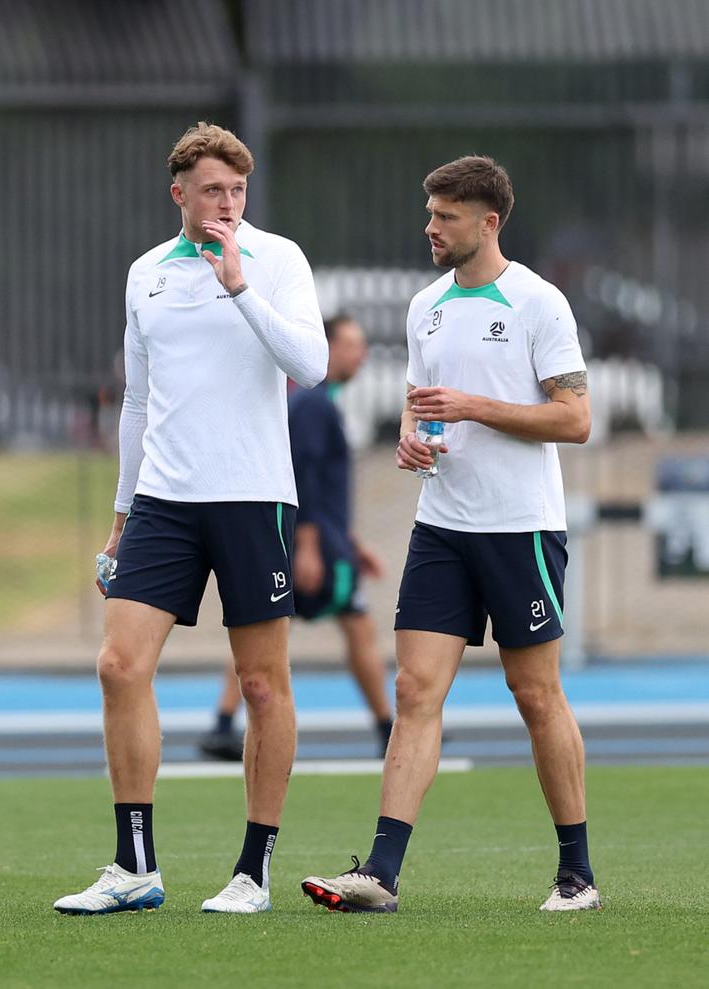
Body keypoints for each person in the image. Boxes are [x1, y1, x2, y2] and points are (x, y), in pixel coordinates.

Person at [301, 155, 601, 914]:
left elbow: (575, 418)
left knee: (535, 693)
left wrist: (474, 407)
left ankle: (577, 875)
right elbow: (421, 403)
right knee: (413, 690)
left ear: (487, 221)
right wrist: (413, 435)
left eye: (444, 216)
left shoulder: (539, 303)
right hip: (441, 526)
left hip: (520, 528)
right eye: (430, 213)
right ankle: (381, 873)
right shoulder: (425, 305)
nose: (429, 227)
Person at [53, 122, 327, 916]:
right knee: (118, 665)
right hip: (164, 502)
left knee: (261, 685)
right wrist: (119, 513)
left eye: (238, 191)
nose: (227, 204)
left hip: (252, 497)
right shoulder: (146, 273)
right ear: (180, 193)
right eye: (213, 190)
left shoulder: (277, 261)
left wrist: (239, 283)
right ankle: (134, 865)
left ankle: (253, 871)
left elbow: (310, 366)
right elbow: (137, 400)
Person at [198, 315, 393, 762]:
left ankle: (224, 723)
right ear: (325, 348)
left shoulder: (319, 401)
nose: (360, 354)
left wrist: (353, 542)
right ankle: (388, 728)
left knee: (265, 630)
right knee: (353, 628)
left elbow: (323, 487)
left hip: (325, 541)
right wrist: (308, 548)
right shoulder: (313, 403)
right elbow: (301, 477)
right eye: (351, 345)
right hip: (313, 548)